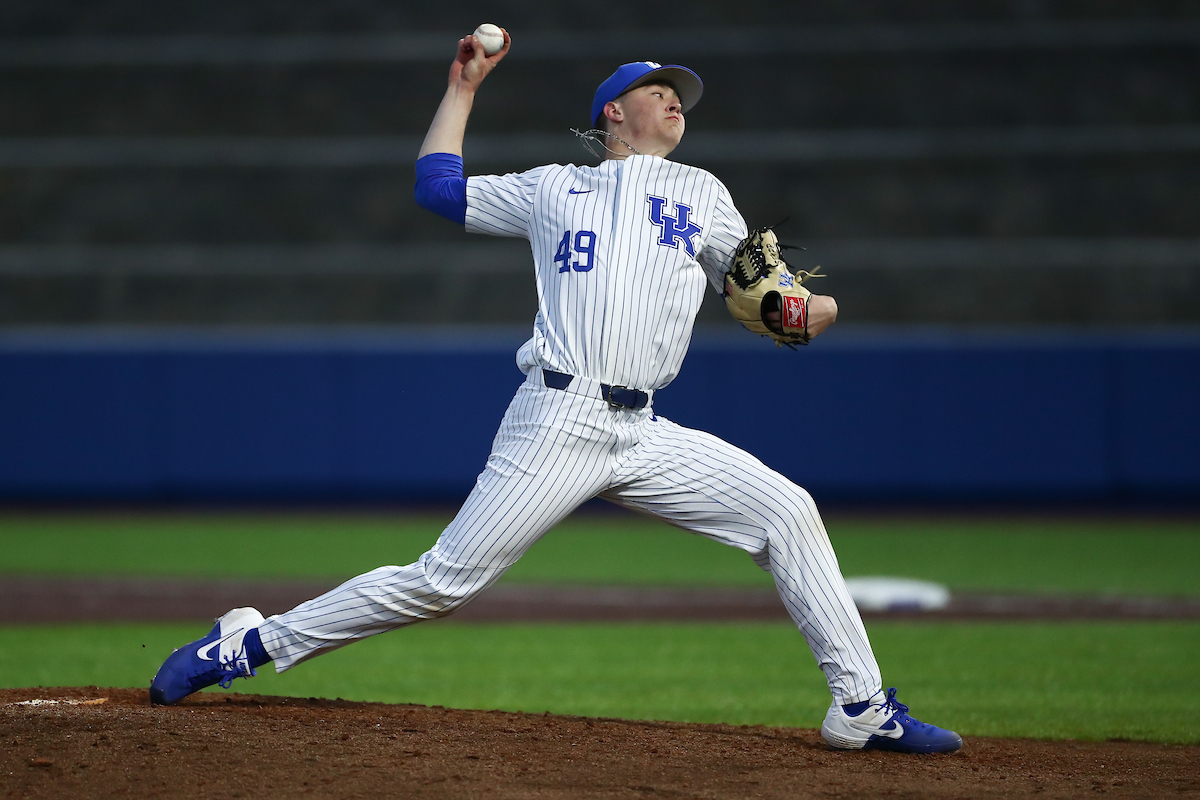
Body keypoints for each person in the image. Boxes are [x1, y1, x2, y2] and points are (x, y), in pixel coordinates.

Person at [150, 30, 963, 755]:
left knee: (788, 511)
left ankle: (861, 705)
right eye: (657, 88)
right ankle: (251, 646)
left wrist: (804, 312)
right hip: (558, 416)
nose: (675, 99)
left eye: (680, 92)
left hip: (644, 430)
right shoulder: (553, 188)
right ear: (613, 111)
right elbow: (438, 188)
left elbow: (762, 296)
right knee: (443, 582)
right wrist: (463, 88)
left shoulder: (704, 193)